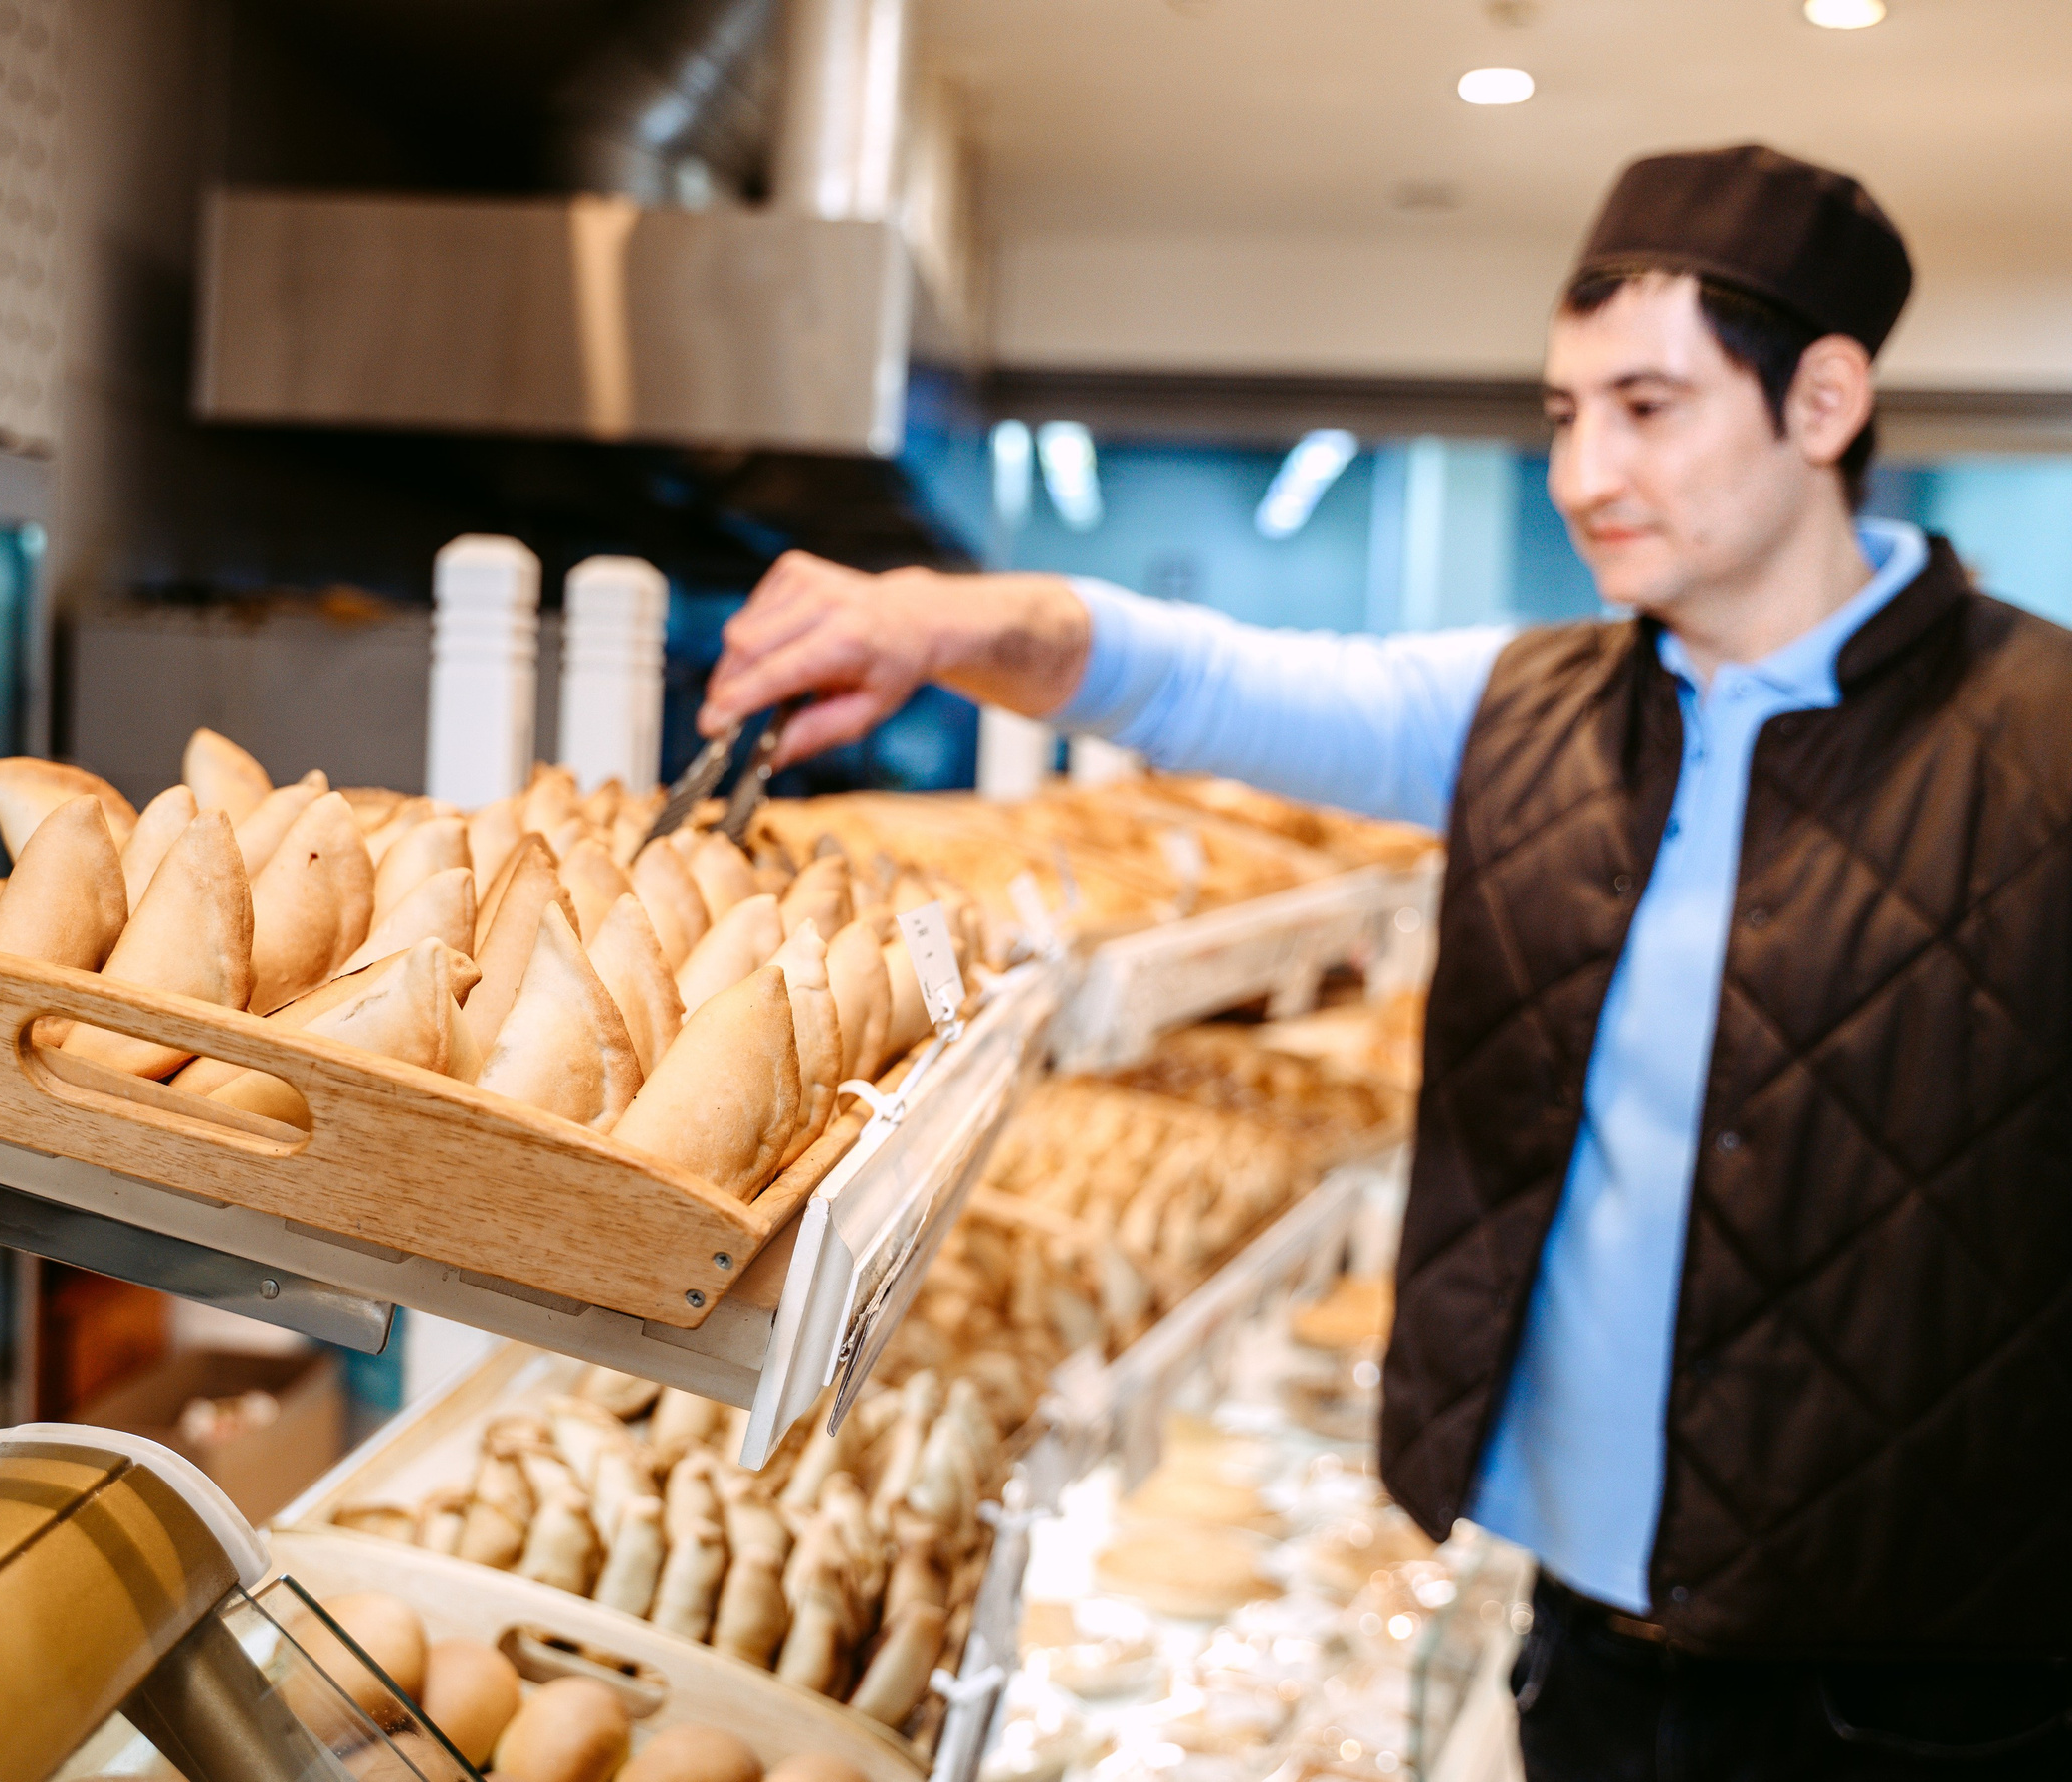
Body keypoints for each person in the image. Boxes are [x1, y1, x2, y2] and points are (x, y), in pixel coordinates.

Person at [698, 145, 2072, 1779]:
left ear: (1825, 402)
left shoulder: (2044, 744)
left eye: (1647, 406)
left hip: (1933, 1684)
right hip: (1587, 1650)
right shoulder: (1529, 711)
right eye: (1566, 415)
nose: (1582, 470)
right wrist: (936, 625)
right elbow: (1210, 680)